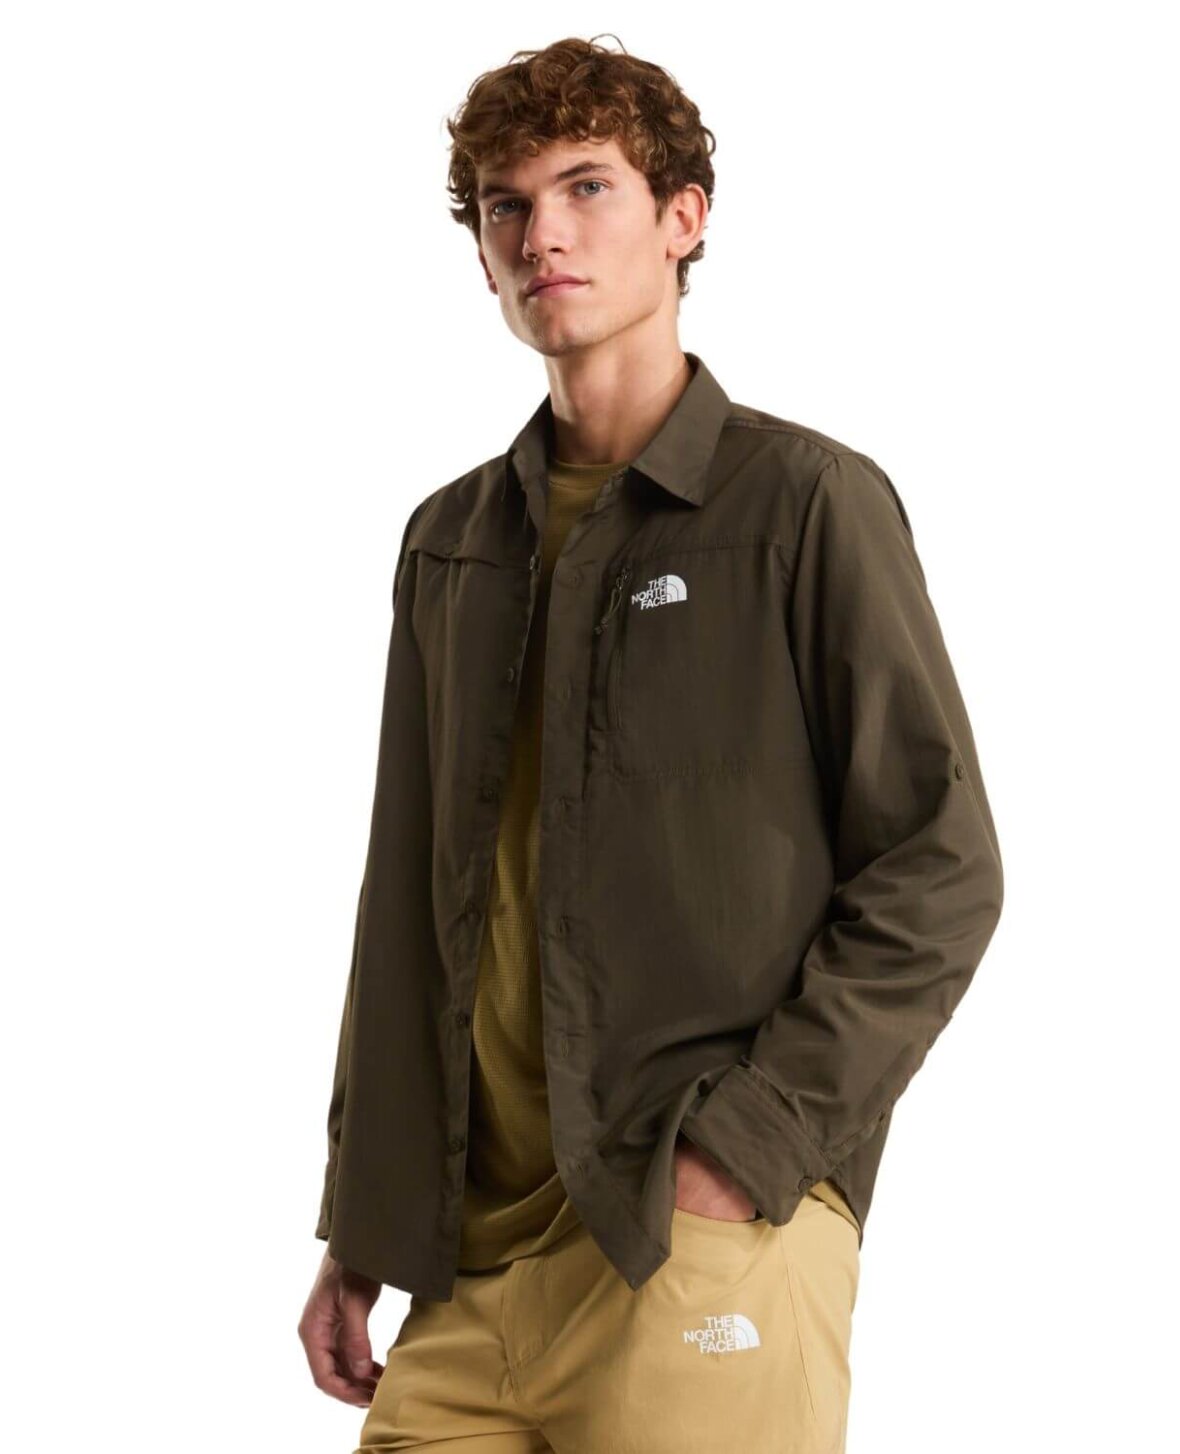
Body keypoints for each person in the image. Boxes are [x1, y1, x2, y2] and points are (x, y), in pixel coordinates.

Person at [297, 34, 1004, 1454]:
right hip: (467, 1271)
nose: (541, 234)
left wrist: (748, 1148)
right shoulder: (451, 542)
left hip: (688, 1236)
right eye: (507, 205)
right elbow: (411, 908)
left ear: (685, 218)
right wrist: (362, 1221)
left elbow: (939, 867)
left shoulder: (805, 504)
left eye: (587, 187)